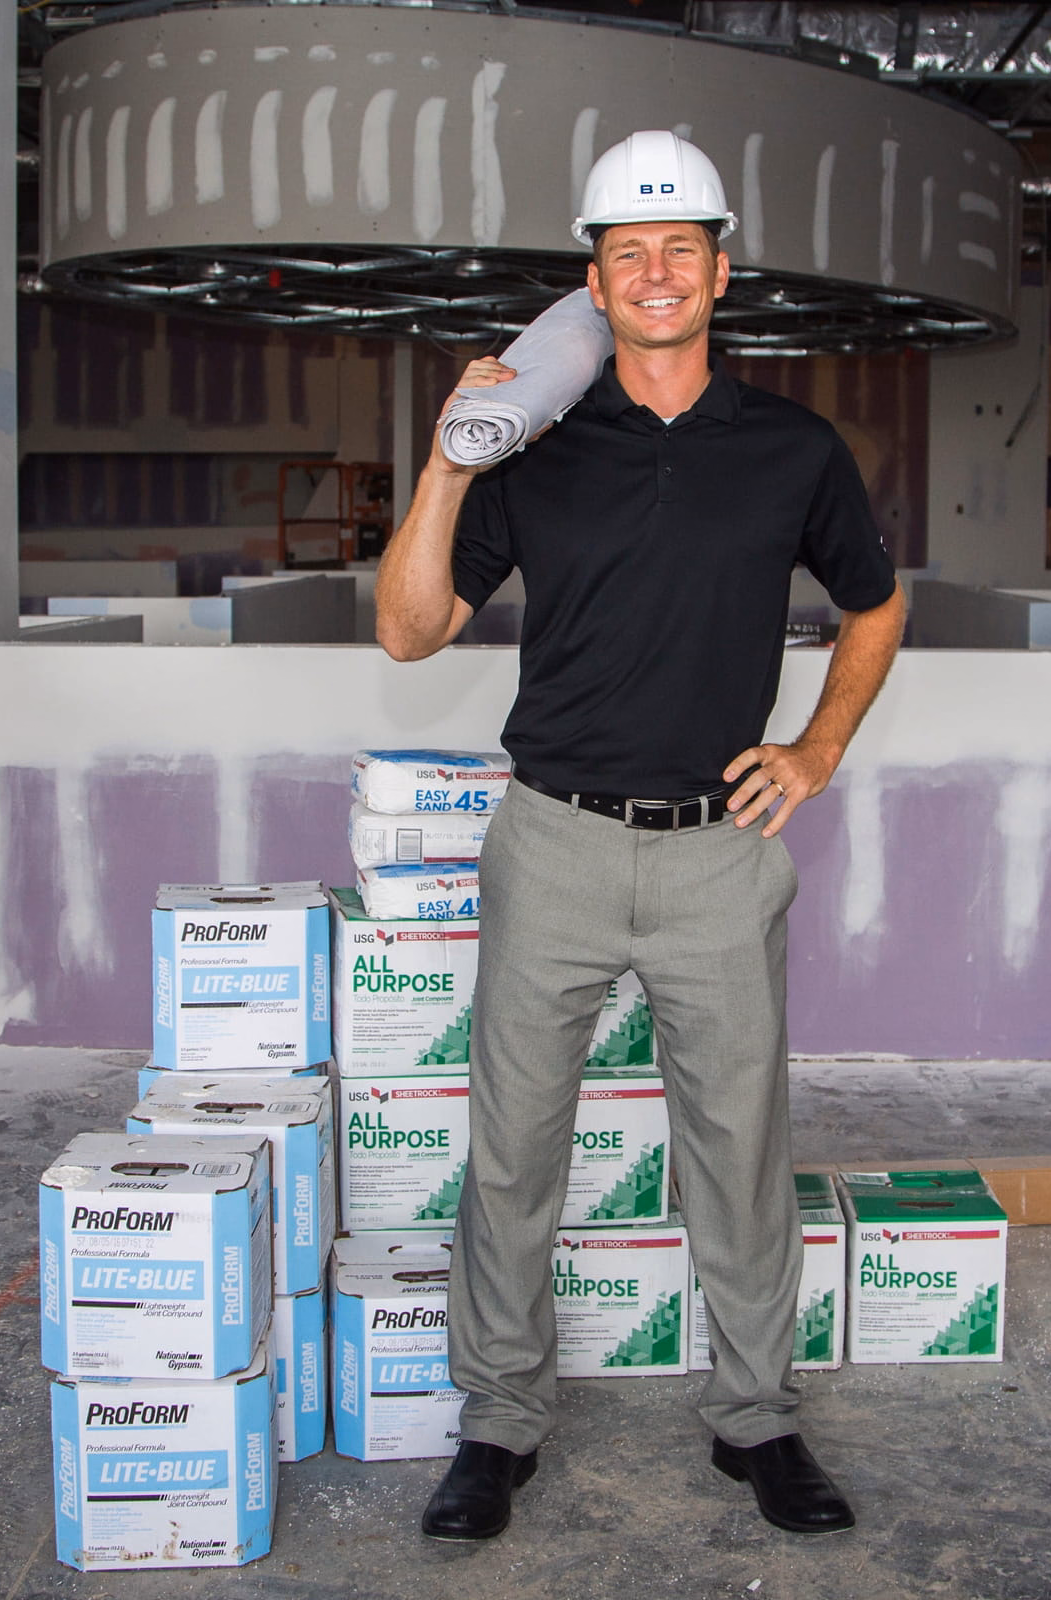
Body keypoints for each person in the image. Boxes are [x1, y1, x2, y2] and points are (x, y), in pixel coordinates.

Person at [374, 130, 907, 1541]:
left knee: (738, 1148)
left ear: (721, 272)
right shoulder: (540, 451)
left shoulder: (793, 449)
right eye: (630, 253)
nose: (657, 273)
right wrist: (446, 463)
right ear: (594, 284)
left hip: (716, 856)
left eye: (682, 250)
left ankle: (758, 1419)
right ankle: (497, 1422)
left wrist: (820, 746)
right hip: (550, 840)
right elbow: (409, 629)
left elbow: (875, 600)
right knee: (513, 1155)